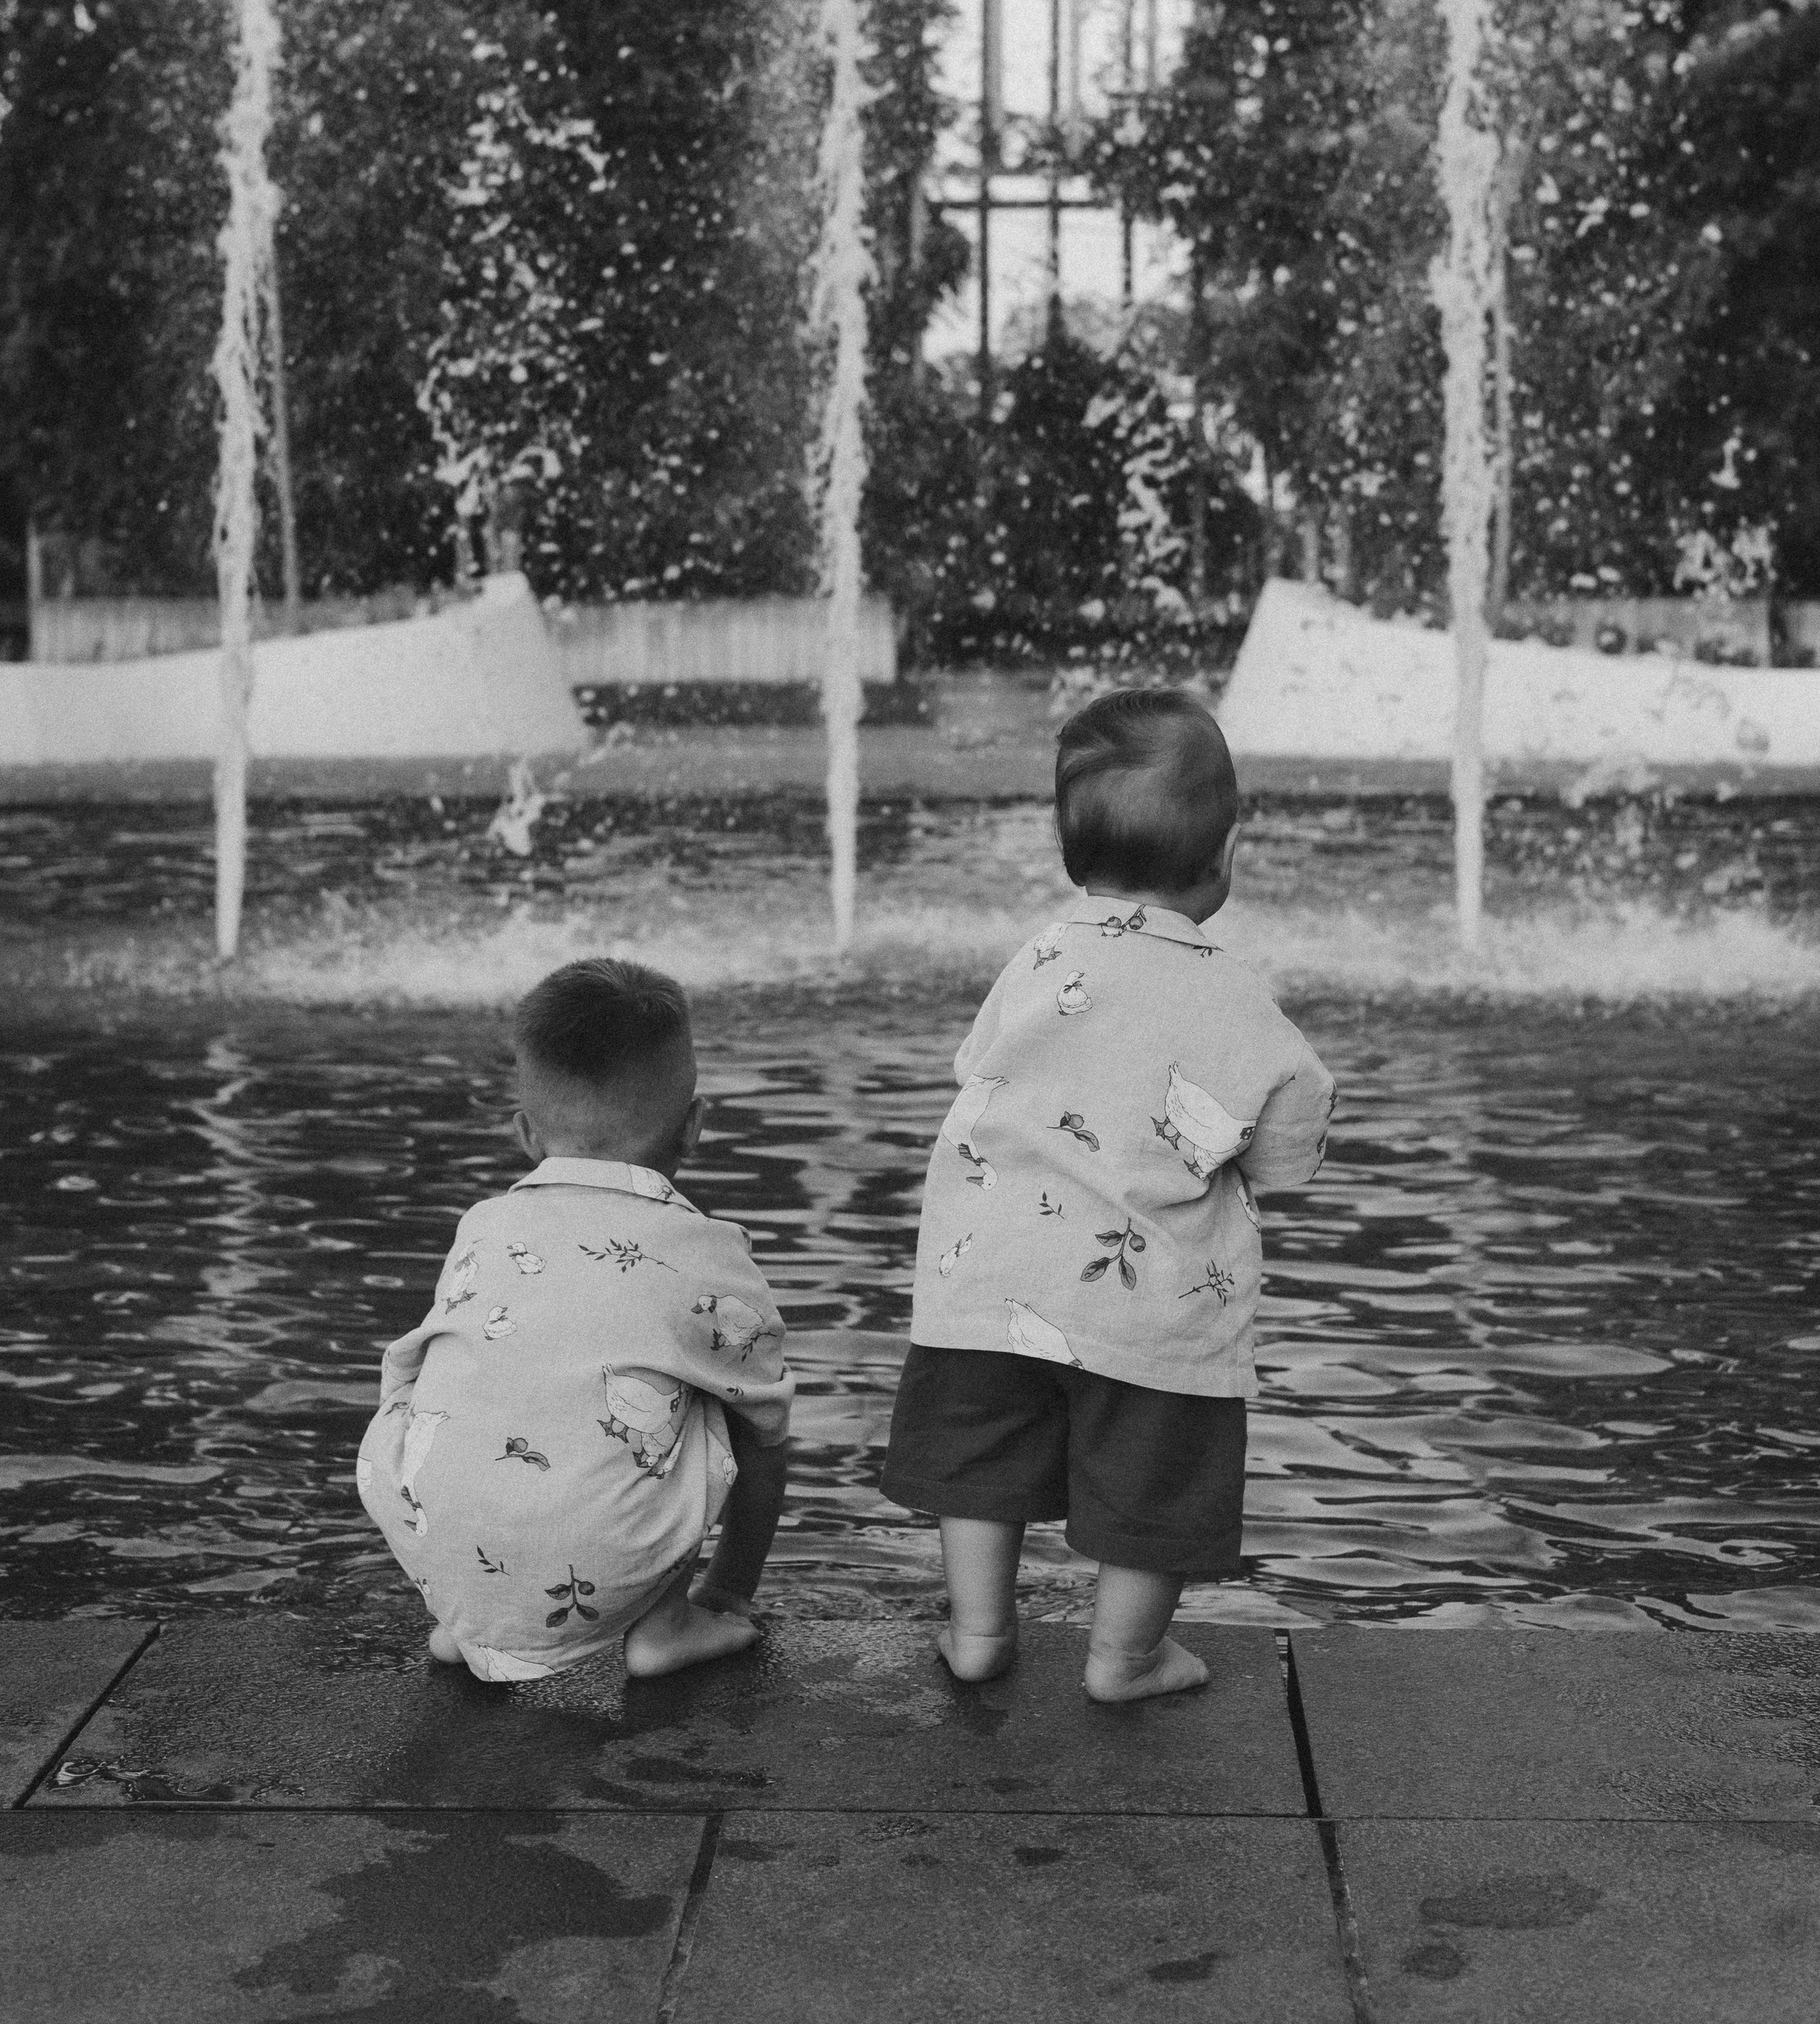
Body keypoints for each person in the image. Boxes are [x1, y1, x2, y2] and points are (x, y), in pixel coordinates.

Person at [880, 687, 1335, 1704]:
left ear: (1067, 849)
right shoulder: (1230, 990)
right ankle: (1125, 1658)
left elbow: (980, 1069)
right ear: (1225, 859)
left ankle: (981, 1630)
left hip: (987, 1269)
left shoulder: (1041, 953)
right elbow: (1289, 1143)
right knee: (1155, 1473)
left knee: (983, 1456)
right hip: (1149, 1290)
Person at [357, 956, 793, 1681]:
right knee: (733, 1402)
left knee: (466, 1385)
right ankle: (675, 1621)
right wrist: (732, 1588)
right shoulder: (707, 1251)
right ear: (694, 1129)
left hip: (429, 1532)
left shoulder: (482, 1226)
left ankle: (470, 1623)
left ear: (526, 1134)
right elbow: (767, 1438)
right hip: (610, 1557)